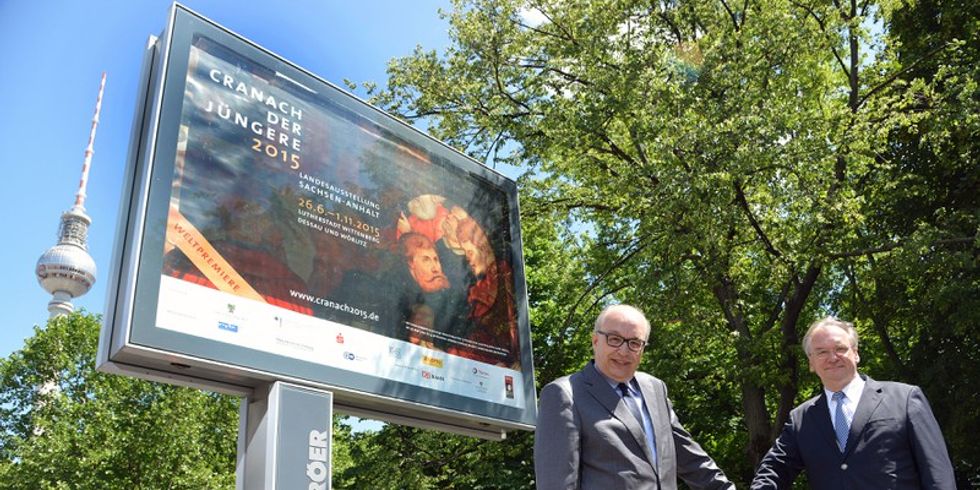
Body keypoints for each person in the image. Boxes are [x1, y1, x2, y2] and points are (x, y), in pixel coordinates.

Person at [534, 304, 734, 490]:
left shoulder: (655, 388)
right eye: (614, 339)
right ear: (595, 341)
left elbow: (690, 458)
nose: (623, 351)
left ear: (643, 349)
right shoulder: (564, 394)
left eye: (634, 343)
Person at [751, 316, 956, 489]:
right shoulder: (801, 419)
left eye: (840, 348)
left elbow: (937, 472)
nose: (832, 357)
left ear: (856, 354)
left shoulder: (905, 399)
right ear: (811, 363)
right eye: (821, 352)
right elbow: (774, 470)